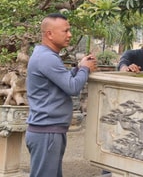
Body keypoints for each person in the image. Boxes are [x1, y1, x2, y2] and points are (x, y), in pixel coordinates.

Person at [25, 13, 97, 177]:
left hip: (49, 131)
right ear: (49, 34)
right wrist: (85, 69)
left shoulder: (46, 56)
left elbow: (62, 80)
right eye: (65, 31)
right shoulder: (46, 58)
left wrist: (78, 68)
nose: (70, 35)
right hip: (46, 132)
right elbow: (72, 87)